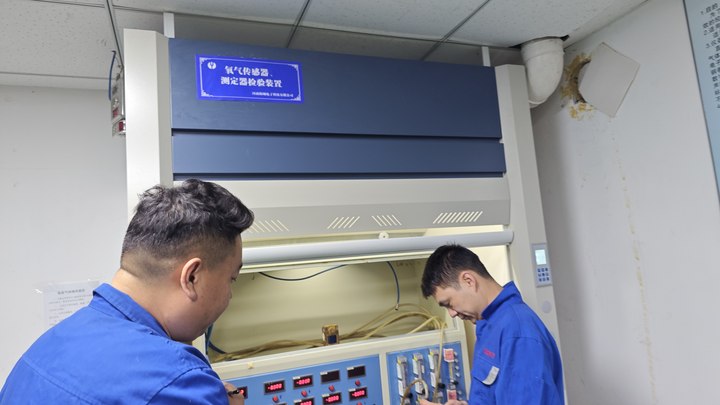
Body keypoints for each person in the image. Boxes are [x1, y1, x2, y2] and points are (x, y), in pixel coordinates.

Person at [0, 179, 254, 404]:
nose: (229, 296)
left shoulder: (49, 345)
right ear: (191, 277)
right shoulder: (179, 381)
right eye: (231, 279)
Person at [418, 244, 564, 405]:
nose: (451, 313)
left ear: (468, 280)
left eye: (448, 303)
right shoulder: (490, 325)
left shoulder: (517, 331)